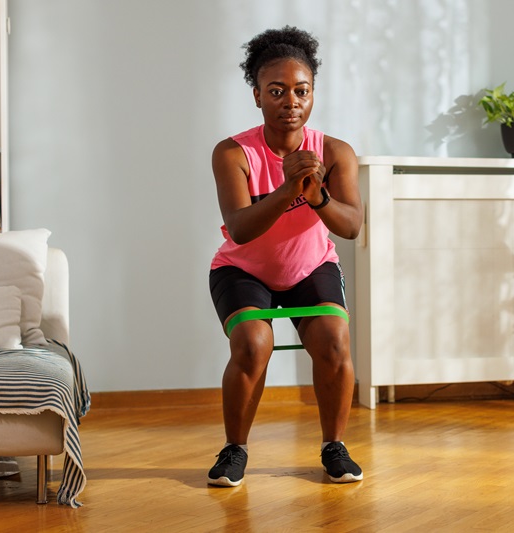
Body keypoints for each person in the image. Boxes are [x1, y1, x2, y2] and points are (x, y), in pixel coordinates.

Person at [207, 26, 363, 486]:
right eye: (276, 91)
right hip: (242, 267)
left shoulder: (334, 152)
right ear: (257, 96)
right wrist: (286, 190)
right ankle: (234, 449)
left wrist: (317, 198)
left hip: (310, 265)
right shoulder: (232, 152)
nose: (290, 100)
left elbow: (352, 226)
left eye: (301, 90)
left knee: (335, 341)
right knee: (254, 344)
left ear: (312, 95)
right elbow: (240, 228)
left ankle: (334, 446)